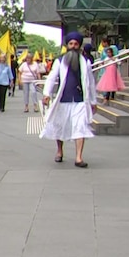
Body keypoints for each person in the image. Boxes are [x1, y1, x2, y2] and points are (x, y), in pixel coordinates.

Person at [41, 32, 97, 168]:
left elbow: (90, 83)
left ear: (79, 46)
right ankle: (60, 151)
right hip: (63, 100)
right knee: (59, 126)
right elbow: (51, 77)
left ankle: (78, 157)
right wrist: (46, 93)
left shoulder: (86, 62)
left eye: (76, 44)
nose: (73, 46)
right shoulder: (59, 61)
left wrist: (93, 101)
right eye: (70, 44)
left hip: (80, 101)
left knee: (80, 126)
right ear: (67, 45)